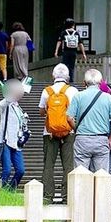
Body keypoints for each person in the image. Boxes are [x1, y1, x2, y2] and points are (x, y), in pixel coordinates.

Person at [66, 68, 111, 174]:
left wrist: (77, 129)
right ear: (100, 82)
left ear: (84, 83)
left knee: (80, 175)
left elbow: (69, 118)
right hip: (101, 139)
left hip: (82, 139)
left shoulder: (78, 96)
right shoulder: (108, 98)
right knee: (101, 175)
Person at [39, 64, 78, 202]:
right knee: (68, 165)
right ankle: (67, 196)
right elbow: (76, 111)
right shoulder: (73, 91)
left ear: (53, 76)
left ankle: (48, 196)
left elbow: (41, 111)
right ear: (67, 77)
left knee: (48, 164)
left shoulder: (46, 91)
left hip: (49, 132)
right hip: (70, 131)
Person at [0, 79, 28, 190]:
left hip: (16, 143)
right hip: (5, 141)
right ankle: (2, 191)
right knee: (7, 169)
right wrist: (10, 92)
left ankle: (10, 190)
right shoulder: (6, 104)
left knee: (20, 170)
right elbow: (2, 103)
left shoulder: (18, 107)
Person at [54, 18, 87, 89]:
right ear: (73, 25)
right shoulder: (76, 33)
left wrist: (56, 51)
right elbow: (80, 44)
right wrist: (83, 53)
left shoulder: (64, 32)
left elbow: (59, 42)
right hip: (73, 52)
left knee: (64, 66)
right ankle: (71, 81)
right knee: (71, 67)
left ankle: (64, 80)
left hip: (66, 51)